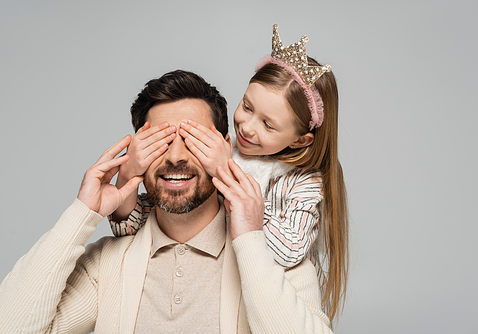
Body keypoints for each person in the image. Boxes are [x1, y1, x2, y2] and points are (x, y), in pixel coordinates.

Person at [0, 69, 333, 333]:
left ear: (226, 149)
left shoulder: (276, 262)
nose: (175, 155)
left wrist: (249, 237)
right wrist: (82, 214)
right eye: (160, 141)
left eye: (193, 140)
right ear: (137, 152)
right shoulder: (109, 266)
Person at [110, 24, 349, 323]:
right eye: (247, 107)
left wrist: (224, 174)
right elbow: (130, 227)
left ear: (300, 140)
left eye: (268, 124)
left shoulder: (304, 184)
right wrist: (128, 175)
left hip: (273, 304)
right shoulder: (226, 150)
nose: (247, 127)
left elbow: (289, 252)